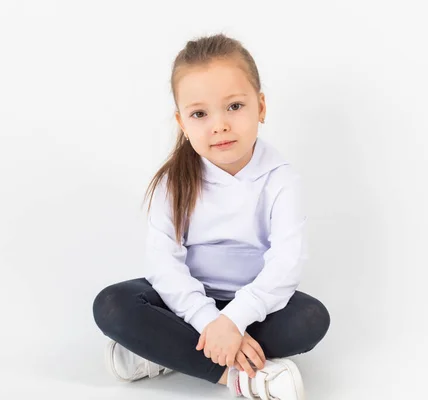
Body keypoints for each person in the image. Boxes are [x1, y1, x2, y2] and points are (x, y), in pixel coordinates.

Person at [92, 33, 330, 399]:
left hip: (252, 306)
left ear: (261, 107)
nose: (219, 125)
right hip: (186, 302)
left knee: (311, 319)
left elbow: (286, 264)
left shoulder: (281, 178)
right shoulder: (174, 181)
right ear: (182, 122)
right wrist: (208, 321)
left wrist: (234, 319)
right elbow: (163, 267)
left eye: (234, 106)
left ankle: (164, 351)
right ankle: (238, 376)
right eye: (200, 114)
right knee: (111, 305)